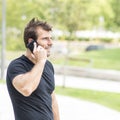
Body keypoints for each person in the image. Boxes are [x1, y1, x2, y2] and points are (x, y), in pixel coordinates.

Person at [6, 18, 60, 120]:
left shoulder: (48, 66)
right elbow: (26, 89)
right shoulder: (16, 66)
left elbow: (52, 100)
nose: (51, 42)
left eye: (50, 38)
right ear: (31, 42)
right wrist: (40, 62)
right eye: (45, 39)